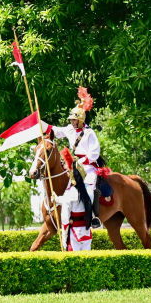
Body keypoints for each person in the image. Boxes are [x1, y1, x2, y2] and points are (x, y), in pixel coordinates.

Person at [49, 87, 101, 229]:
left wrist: (81, 161)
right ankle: (67, 217)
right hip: (74, 165)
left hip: (88, 166)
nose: (72, 122)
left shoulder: (89, 133)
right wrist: (41, 125)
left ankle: (92, 217)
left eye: (74, 120)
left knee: (89, 188)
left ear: (80, 120)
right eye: (71, 120)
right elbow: (56, 130)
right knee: (67, 189)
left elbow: (94, 153)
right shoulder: (70, 129)